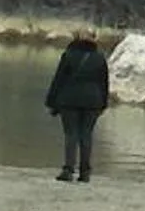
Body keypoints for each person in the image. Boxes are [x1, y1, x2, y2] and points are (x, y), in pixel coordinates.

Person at [44, 32, 111, 183]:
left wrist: (51, 102)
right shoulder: (100, 58)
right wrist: (103, 103)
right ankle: (85, 172)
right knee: (86, 135)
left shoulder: (68, 55)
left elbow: (58, 79)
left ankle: (68, 169)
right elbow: (104, 83)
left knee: (71, 134)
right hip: (93, 101)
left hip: (69, 99)